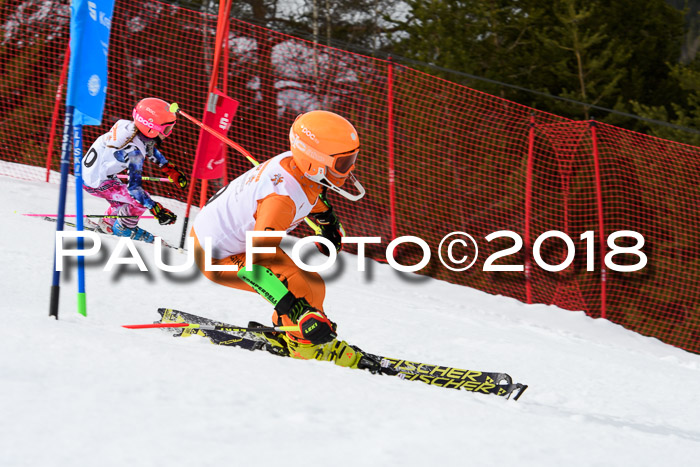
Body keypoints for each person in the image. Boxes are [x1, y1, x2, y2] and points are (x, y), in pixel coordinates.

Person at [192, 110, 375, 369]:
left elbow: (309, 191)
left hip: (235, 242)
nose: (351, 169)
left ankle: (294, 332)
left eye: (353, 159)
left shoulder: (297, 165)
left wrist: (327, 220)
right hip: (215, 256)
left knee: (313, 287)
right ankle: (304, 347)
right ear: (315, 162)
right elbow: (256, 267)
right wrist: (292, 306)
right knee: (298, 288)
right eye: (344, 163)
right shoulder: (279, 203)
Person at [82, 97, 188, 242]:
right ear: (151, 128)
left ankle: (108, 223)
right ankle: (125, 228)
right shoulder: (134, 153)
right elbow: (134, 189)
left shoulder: (129, 127)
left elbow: (148, 148)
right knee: (139, 200)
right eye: (167, 129)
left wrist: (168, 168)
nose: (168, 133)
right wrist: (157, 210)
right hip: (97, 183)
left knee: (125, 198)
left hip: (94, 175)